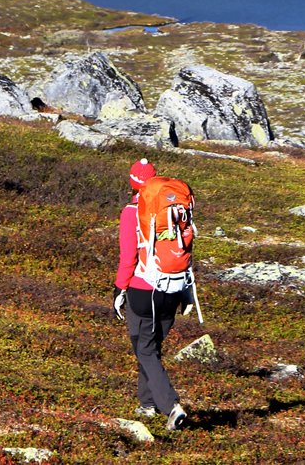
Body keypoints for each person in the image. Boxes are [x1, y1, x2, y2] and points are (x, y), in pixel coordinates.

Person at [114, 158, 188, 431]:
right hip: (175, 287)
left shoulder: (131, 212)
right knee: (152, 348)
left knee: (144, 349)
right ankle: (147, 404)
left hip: (144, 290)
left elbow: (128, 257)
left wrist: (119, 288)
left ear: (133, 182)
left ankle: (172, 407)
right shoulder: (174, 207)